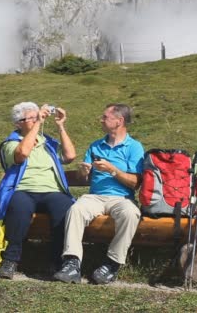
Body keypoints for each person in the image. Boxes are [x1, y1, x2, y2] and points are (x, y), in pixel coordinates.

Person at [53, 103, 144, 285]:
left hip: (121, 197)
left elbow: (135, 183)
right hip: (95, 196)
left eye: (105, 117)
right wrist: (84, 172)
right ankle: (72, 263)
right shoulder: (96, 146)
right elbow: (83, 178)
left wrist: (112, 170)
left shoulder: (134, 147)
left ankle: (112, 264)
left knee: (131, 213)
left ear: (119, 121)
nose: (100, 120)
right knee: (76, 210)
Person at [0, 102, 76, 279]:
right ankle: (10, 261)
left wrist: (61, 126)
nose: (36, 120)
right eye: (30, 118)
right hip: (23, 190)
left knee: (66, 209)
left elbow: (69, 156)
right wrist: (38, 123)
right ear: (18, 123)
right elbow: (22, 153)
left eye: (36, 116)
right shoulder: (10, 143)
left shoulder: (49, 143)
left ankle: (58, 263)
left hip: (52, 191)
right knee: (19, 208)